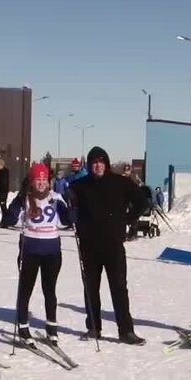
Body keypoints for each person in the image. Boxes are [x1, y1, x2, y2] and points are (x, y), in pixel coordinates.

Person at [66, 146, 148, 345]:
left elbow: (142, 201)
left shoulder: (120, 183)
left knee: (119, 288)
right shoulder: (80, 185)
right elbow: (66, 203)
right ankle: (93, 327)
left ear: (107, 164)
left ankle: (126, 331)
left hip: (113, 245)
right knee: (91, 288)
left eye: (101, 162)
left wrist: (128, 219)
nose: (97, 166)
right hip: (89, 246)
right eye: (94, 162)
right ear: (90, 165)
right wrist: (70, 202)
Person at [1, 163, 71, 345]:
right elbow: (8, 220)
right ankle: (23, 326)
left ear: (49, 181)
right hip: (30, 249)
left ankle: (51, 328)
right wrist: (14, 205)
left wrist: (72, 205)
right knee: (26, 289)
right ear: (31, 182)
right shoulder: (25, 198)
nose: (41, 183)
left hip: (52, 251)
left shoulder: (56, 198)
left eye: (44, 179)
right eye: (37, 179)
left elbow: (68, 220)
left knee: (50, 290)